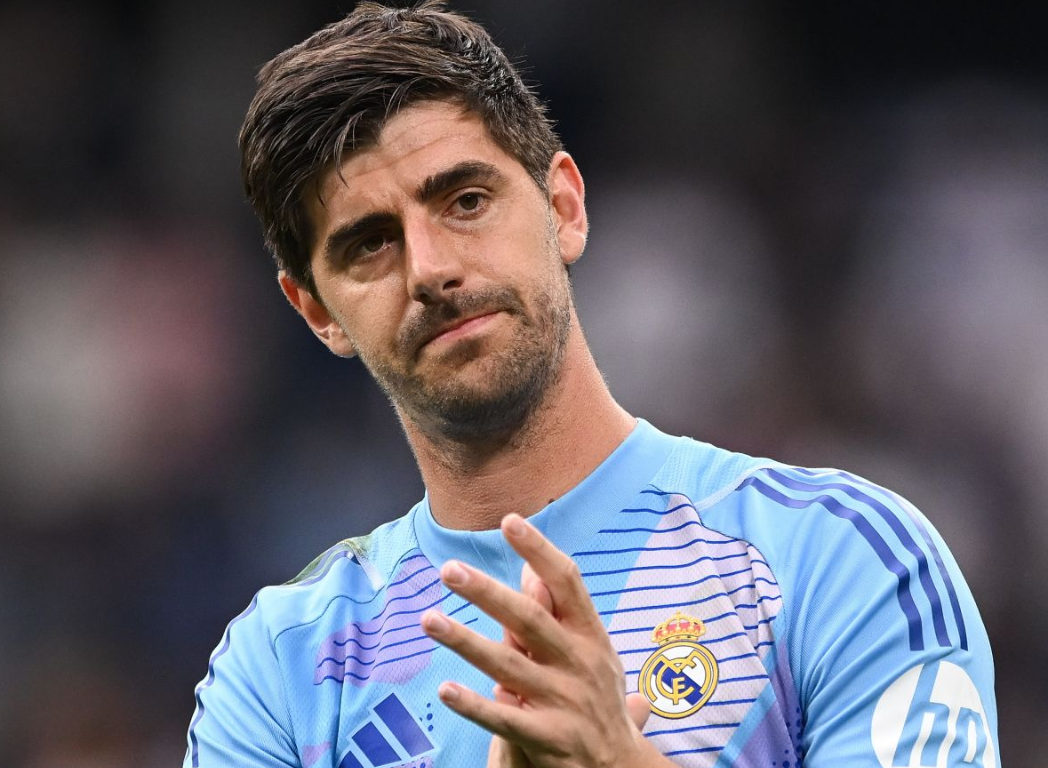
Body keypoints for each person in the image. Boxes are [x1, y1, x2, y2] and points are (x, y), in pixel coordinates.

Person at [185, 3, 1000, 767]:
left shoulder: (839, 558)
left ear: (564, 207)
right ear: (317, 312)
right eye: (370, 244)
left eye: (466, 201)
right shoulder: (281, 667)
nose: (430, 269)